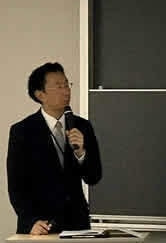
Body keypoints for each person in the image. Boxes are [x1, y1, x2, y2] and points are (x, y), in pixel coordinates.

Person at [7, 62, 102, 234]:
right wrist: (30, 222)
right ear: (40, 94)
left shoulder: (82, 126)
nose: (66, 91)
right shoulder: (22, 131)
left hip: (76, 224)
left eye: (67, 84)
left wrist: (81, 153)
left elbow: (94, 177)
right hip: (40, 226)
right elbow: (16, 186)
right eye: (59, 86)